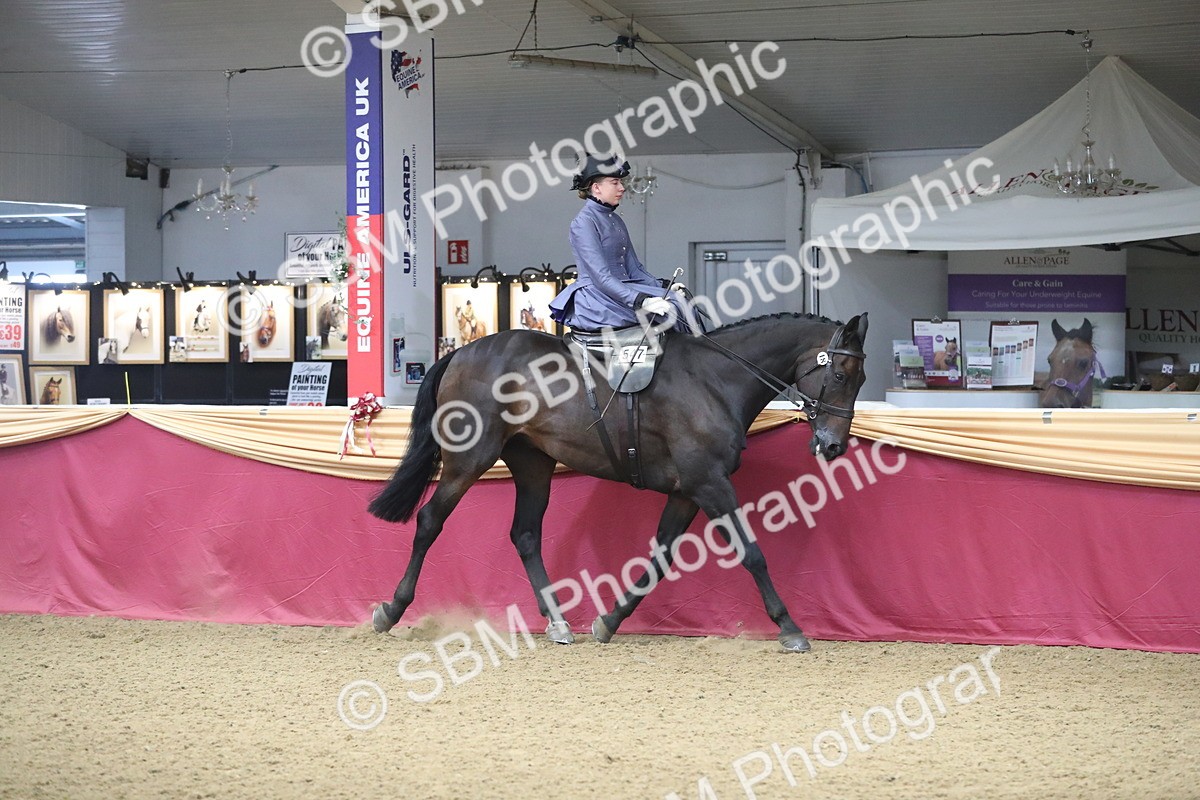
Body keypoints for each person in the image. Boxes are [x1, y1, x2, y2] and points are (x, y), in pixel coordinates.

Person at [549, 154, 689, 332]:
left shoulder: (616, 220)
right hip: (598, 297)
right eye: (615, 182)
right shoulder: (583, 222)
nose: (622, 188)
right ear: (596, 187)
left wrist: (663, 286)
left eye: (620, 182)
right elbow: (601, 277)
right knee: (672, 307)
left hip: (622, 291)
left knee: (679, 300)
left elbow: (634, 269)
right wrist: (641, 300)